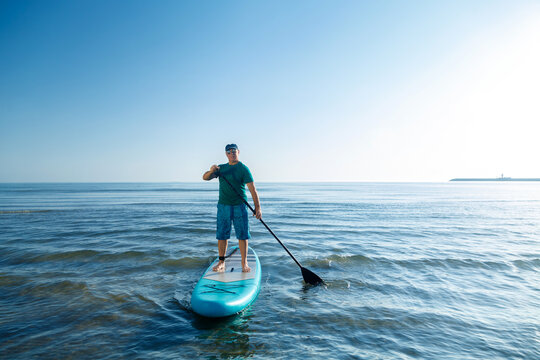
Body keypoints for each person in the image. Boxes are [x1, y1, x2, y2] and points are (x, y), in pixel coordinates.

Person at [203, 144, 262, 273]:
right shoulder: (221, 168)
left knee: (243, 235)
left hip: (240, 206)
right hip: (223, 206)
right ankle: (221, 262)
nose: (232, 153)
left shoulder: (243, 169)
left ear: (238, 152)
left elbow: (253, 189)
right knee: (222, 235)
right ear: (226, 154)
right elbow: (205, 178)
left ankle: (244, 262)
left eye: (234, 151)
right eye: (229, 152)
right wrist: (212, 170)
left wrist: (258, 208)